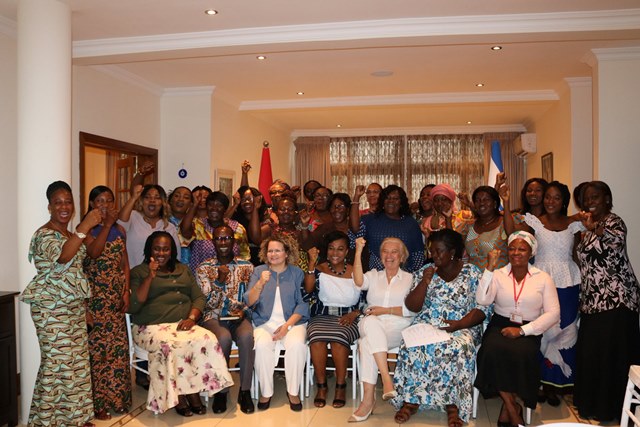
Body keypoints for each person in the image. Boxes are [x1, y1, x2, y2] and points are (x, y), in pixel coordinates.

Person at [21, 180, 103, 427]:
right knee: (57, 365)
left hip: (73, 307)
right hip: (50, 309)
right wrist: (85, 227)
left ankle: (75, 418)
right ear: (49, 207)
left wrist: (85, 309)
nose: (64, 206)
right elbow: (63, 257)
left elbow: (76, 270)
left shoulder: (69, 234)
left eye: (68, 201)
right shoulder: (44, 234)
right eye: (58, 202)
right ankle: (45, 421)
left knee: (76, 365)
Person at [129, 231, 234, 416]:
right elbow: (134, 304)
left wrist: (192, 318)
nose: (161, 253)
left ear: (172, 251)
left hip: (182, 324)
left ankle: (193, 391)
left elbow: (199, 297)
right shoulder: (139, 271)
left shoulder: (182, 269)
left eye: (166, 249)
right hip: (150, 326)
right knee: (169, 345)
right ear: (149, 250)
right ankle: (179, 396)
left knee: (207, 338)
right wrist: (150, 276)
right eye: (157, 249)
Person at [391, 230, 487, 426]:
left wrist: (459, 324)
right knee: (410, 344)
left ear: (452, 252)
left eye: (438, 251)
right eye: (431, 251)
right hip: (428, 322)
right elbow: (412, 305)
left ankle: (453, 405)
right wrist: (425, 282)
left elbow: (483, 307)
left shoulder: (472, 273)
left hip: (462, 324)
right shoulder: (426, 271)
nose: (433, 256)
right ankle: (412, 399)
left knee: (458, 347)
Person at [475, 231, 560, 427]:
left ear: (531, 252)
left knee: (522, 353)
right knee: (491, 350)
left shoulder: (543, 278)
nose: (516, 252)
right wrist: (489, 267)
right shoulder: (498, 274)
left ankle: (508, 408)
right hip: (500, 324)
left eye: (522, 249)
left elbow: (553, 313)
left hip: (529, 328)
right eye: (512, 248)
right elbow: (482, 299)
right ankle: (513, 409)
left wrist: (523, 331)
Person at [574, 181, 640, 421]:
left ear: (607, 199)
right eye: (586, 198)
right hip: (593, 302)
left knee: (612, 357)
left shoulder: (614, 222)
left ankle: (613, 410)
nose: (590, 202)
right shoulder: (587, 229)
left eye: (595, 197)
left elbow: (615, 242)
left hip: (617, 301)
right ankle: (592, 406)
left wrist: (596, 228)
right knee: (593, 356)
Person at [517, 181, 584, 404]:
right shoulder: (533, 222)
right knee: (541, 330)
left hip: (568, 282)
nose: (550, 201)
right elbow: (514, 236)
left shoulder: (574, 224)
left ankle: (555, 385)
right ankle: (537, 381)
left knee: (564, 330)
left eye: (556, 198)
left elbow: (576, 254)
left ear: (564, 201)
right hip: (541, 280)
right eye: (548, 197)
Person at [350, 237, 416, 422]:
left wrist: (385, 310)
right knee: (371, 321)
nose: (389, 255)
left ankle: (367, 401)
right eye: (385, 251)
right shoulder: (374, 275)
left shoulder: (411, 279)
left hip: (397, 327)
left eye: (394, 251)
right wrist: (357, 251)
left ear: (402, 257)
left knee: (365, 344)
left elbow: (412, 310)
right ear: (380, 256)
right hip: (370, 323)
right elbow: (358, 281)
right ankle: (387, 379)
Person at [244, 235, 310, 412]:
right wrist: (260, 284)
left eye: (278, 250)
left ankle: (293, 391)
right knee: (262, 345)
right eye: (270, 250)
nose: (273, 254)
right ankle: (266, 391)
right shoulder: (259, 271)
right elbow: (249, 301)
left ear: (286, 253)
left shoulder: (296, 273)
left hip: (292, 323)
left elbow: (303, 303)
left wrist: (287, 326)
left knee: (297, 345)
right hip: (264, 322)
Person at [195, 224, 256, 414]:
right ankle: (221, 391)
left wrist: (244, 311)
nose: (223, 242)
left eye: (227, 238)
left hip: (239, 316)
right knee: (223, 338)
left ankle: (244, 391)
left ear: (234, 241)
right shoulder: (204, 268)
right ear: (213, 242)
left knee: (247, 337)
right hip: (214, 317)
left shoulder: (247, 266)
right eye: (219, 239)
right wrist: (220, 281)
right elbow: (207, 303)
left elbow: (253, 297)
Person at [83, 186, 132, 420]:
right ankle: (99, 403)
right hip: (95, 298)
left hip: (115, 297)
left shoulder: (120, 229)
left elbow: (125, 264)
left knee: (118, 350)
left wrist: (126, 291)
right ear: (92, 204)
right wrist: (106, 226)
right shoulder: (86, 230)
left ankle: (118, 398)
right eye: (100, 201)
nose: (105, 205)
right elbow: (94, 252)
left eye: (109, 201)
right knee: (99, 352)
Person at [304, 231, 362, 409]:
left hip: (349, 317)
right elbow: (308, 290)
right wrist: (312, 263)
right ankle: (321, 386)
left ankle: (340, 385)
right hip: (322, 315)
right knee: (316, 337)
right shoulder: (319, 269)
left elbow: (369, 299)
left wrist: (356, 313)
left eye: (340, 249)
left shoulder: (355, 271)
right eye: (331, 249)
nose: (335, 253)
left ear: (347, 252)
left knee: (339, 339)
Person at [352, 184, 425, 272]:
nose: (391, 201)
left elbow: (418, 255)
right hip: (376, 277)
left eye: (395, 199)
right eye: (387, 198)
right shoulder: (370, 220)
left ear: (401, 203)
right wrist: (356, 197)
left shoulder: (411, 224)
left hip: (404, 278)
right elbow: (355, 229)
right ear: (382, 201)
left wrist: (412, 277)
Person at [181, 191, 250, 273]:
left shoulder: (238, 229)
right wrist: (194, 204)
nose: (214, 208)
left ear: (225, 209)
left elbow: (245, 256)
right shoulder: (199, 225)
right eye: (210, 205)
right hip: (201, 279)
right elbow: (184, 232)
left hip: (231, 278)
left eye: (219, 205)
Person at [118, 183, 181, 267]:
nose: (152, 200)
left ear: (162, 203)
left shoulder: (169, 227)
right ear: (141, 201)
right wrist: (133, 197)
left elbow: (176, 257)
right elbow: (121, 222)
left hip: (160, 277)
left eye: (157, 197)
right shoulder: (132, 216)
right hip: (133, 276)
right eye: (147, 197)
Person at [457, 186, 516, 270]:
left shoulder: (504, 223)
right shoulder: (468, 226)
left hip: (497, 278)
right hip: (474, 280)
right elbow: (452, 245)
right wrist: (448, 218)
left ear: (495, 204)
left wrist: (506, 202)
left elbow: (512, 235)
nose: (481, 203)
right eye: (477, 200)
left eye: (486, 199)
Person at [168, 186, 193, 263]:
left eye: (186, 197)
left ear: (191, 204)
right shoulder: (161, 221)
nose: (180, 199)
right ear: (170, 200)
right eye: (176, 196)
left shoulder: (195, 223)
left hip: (189, 269)